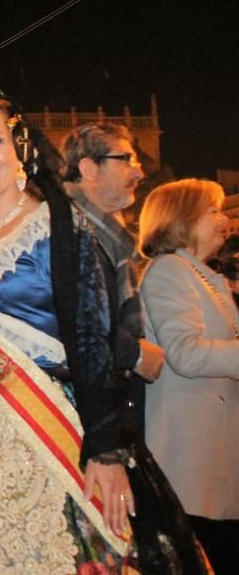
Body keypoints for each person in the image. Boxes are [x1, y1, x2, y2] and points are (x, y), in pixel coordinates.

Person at [0, 88, 208, 574]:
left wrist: (107, 450)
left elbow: (90, 339)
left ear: (20, 147)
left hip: (50, 427)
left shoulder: (58, 225)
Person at [138, 178, 239, 572]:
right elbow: (185, 353)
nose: (223, 219)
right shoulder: (170, 271)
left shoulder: (201, 275)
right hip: (190, 460)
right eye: (212, 210)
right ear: (182, 219)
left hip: (214, 459)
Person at [61, 123, 164, 432]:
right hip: (80, 410)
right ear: (89, 168)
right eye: (127, 159)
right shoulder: (64, 229)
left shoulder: (106, 231)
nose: (139, 172)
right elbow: (67, 309)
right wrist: (132, 352)